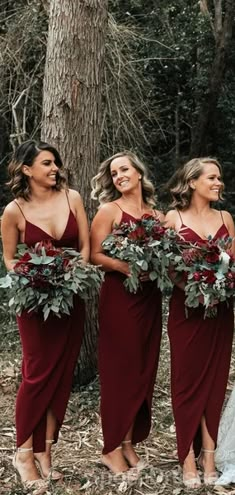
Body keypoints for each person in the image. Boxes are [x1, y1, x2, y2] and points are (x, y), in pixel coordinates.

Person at [1, 140, 89, 494]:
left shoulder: (74, 198)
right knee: (38, 376)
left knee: (62, 375)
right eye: (47, 164)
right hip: (35, 304)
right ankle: (23, 453)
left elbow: (83, 247)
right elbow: (9, 260)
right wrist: (36, 277)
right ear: (27, 169)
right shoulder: (13, 211)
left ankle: (46, 452)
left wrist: (76, 268)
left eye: (56, 163)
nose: (55, 169)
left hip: (71, 301)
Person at [90, 150, 164, 476]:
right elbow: (93, 254)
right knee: (120, 371)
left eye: (124, 170)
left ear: (138, 172)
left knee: (143, 370)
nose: (119, 176)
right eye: (114, 173)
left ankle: (129, 443)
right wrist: (125, 266)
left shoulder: (158, 217)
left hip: (150, 299)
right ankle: (110, 448)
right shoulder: (110, 210)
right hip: (120, 298)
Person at [165, 157, 235, 489]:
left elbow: (233, 264)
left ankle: (208, 455)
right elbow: (169, 269)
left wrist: (219, 287)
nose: (218, 182)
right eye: (212, 177)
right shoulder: (173, 218)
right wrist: (196, 288)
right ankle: (187, 459)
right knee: (187, 383)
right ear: (192, 182)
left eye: (219, 178)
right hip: (187, 312)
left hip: (220, 313)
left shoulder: (226, 218)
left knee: (215, 382)